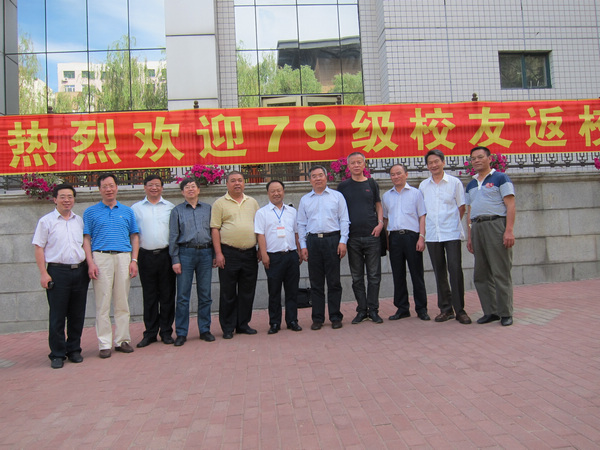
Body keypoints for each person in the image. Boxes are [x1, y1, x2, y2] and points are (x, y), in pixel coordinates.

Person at [32, 184, 90, 369]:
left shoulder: (78, 221)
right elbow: (39, 248)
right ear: (55, 199)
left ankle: (74, 350)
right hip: (58, 272)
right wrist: (44, 273)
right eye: (63, 197)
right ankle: (57, 353)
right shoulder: (46, 221)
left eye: (70, 197)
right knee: (57, 315)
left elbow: (85, 244)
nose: (67, 200)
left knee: (77, 314)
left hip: (79, 271)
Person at [83, 173, 139, 359]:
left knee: (122, 301)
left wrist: (134, 260)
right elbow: (86, 239)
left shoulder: (127, 211)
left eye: (111, 185)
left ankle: (122, 340)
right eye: (105, 186)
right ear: (99, 189)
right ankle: (104, 343)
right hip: (101, 258)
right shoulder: (90, 212)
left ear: (117, 187)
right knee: (103, 302)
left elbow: (134, 236)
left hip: (123, 257)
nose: (109, 189)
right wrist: (90, 262)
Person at [419, 149, 472, 324]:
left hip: (451, 233)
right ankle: (446, 309)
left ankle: (460, 310)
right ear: (427, 166)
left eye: (436, 161)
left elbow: (461, 207)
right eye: (430, 163)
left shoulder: (454, 183)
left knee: (455, 270)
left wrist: (451, 222)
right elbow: (422, 211)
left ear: (443, 162)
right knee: (439, 272)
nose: (433, 165)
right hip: (432, 235)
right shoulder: (423, 186)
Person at [465, 146, 516, 326]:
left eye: (480, 157)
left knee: (500, 271)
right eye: (473, 158)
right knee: (481, 273)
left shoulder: (500, 178)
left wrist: (508, 230)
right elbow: (469, 211)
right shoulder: (471, 184)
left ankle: (506, 313)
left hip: (496, 225)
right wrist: (470, 236)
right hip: (477, 227)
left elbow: (510, 205)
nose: (476, 161)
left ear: (489, 158)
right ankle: (490, 311)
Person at [297, 165, 350, 330]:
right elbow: (301, 224)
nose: (317, 178)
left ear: (326, 177)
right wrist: (303, 246)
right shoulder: (305, 200)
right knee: (316, 282)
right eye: (314, 176)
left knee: (334, 281)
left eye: (320, 175)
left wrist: (343, 241)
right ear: (310, 180)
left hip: (332, 240)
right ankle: (318, 318)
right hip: (313, 242)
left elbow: (344, 220)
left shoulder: (337, 196)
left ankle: (335, 316)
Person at [210, 171, 260, 339]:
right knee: (228, 292)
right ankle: (228, 327)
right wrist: (218, 253)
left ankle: (243, 324)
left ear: (244, 183)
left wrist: (261, 249)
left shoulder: (252, 202)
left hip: (250, 253)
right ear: (227, 184)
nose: (237, 183)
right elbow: (215, 229)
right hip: (228, 253)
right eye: (233, 181)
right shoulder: (219, 203)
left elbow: (259, 227)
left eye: (240, 180)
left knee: (247, 291)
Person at [337, 152, 384, 325]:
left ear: (364, 165)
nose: (356, 165)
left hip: (372, 235)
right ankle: (362, 310)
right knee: (357, 277)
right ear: (348, 166)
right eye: (353, 163)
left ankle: (374, 310)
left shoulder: (371, 184)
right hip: (353, 238)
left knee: (374, 276)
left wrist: (380, 224)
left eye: (359, 162)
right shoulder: (343, 186)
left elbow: (378, 205)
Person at [169, 178, 215, 346]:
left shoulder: (208, 209)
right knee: (183, 296)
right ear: (182, 192)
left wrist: (215, 254)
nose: (190, 189)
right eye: (187, 187)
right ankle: (181, 333)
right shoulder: (177, 211)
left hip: (205, 253)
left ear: (198, 190)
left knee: (205, 294)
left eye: (193, 186)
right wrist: (175, 259)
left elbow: (214, 232)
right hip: (185, 254)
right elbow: (173, 236)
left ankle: (205, 329)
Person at [131, 175, 176, 347]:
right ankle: (150, 333)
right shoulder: (136, 209)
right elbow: (133, 234)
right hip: (146, 256)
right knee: (149, 296)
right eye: (150, 185)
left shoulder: (170, 207)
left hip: (166, 256)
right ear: (144, 187)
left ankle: (166, 332)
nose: (154, 188)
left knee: (167, 295)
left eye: (157, 185)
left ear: (162, 188)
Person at [382, 164, 430, 321]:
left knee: (417, 273)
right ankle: (402, 308)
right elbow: (385, 219)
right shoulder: (387, 196)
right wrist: (387, 239)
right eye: (392, 174)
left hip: (412, 237)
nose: (396, 176)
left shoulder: (416, 193)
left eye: (399, 173)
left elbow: (422, 216)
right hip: (394, 238)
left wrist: (421, 237)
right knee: (398, 274)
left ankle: (421, 308)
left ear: (406, 174)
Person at [255, 180, 303, 334]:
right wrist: (264, 254)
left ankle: (292, 321)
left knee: (292, 291)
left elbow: (296, 232)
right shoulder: (262, 213)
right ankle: (274, 323)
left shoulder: (292, 211)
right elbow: (260, 235)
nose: (276, 193)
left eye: (279, 190)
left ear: (283, 191)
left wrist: (299, 251)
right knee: (274, 292)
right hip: (273, 257)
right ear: (268, 193)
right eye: (273, 191)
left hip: (291, 255)